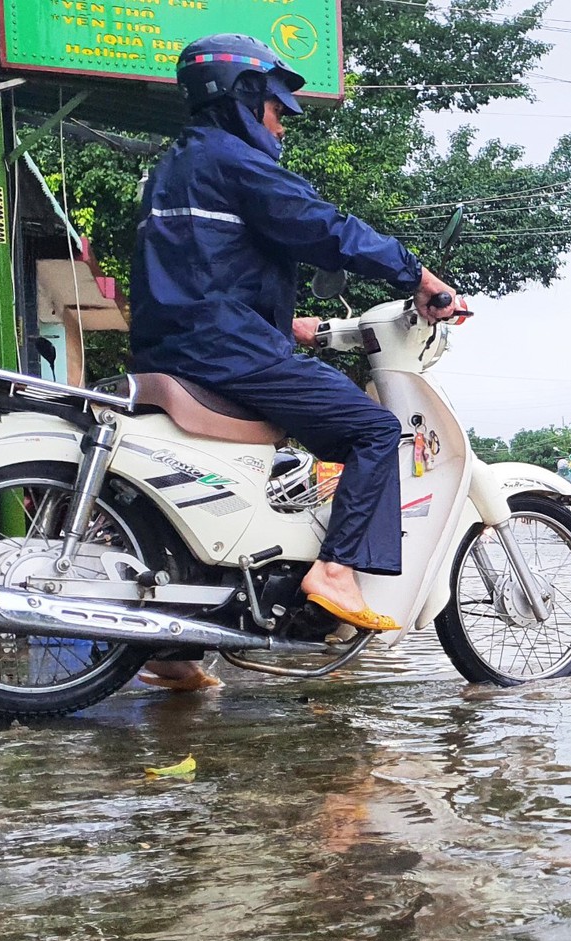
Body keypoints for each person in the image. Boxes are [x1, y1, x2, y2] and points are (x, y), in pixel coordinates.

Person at [131, 33, 465, 657]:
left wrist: (293, 327)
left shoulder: (174, 165)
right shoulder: (237, 161)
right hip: (226, 353)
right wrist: (418, 277)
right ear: (245, 96)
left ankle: (174, 657)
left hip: (175, 348)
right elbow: (323, 229)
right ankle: (336, 571)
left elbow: (200, 272)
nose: (282, 128)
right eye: (279, 111)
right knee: (371, 430)